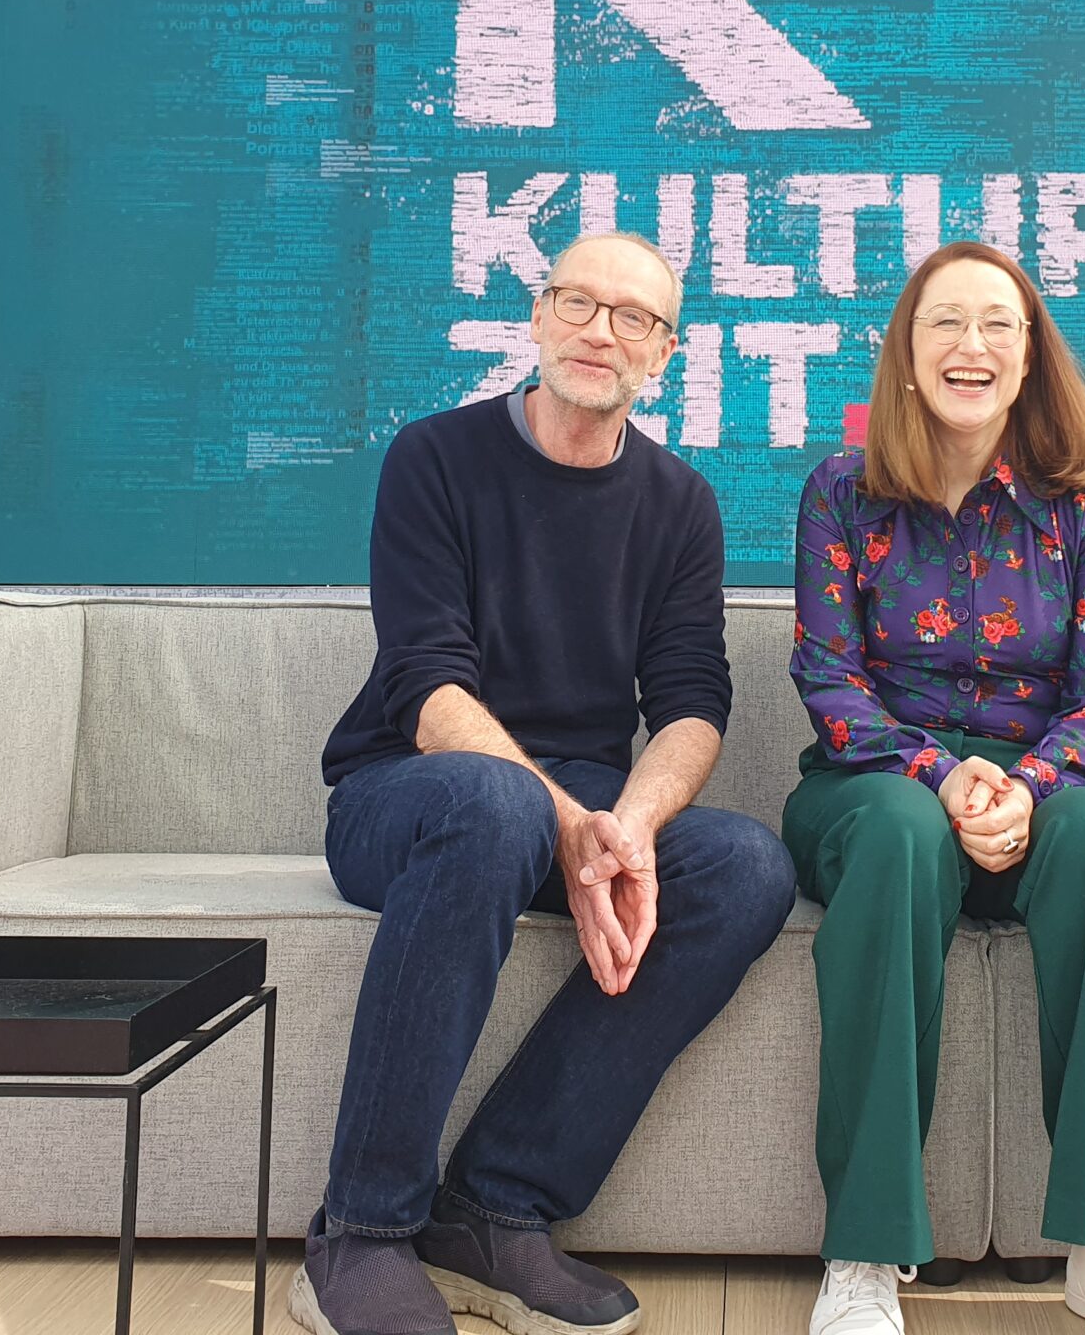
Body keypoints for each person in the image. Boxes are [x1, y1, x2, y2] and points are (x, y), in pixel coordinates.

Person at [295, 231, 799, 1335]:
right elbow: (426, 685)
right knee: (497, 803)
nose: (599, 332)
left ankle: (492, 1208)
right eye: (578, 302)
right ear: (536, 315)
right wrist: (566, 817)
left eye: (634, 318)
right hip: (407, 793)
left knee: (748, 867)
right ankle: (360, 1233)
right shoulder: (434, 457)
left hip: (566, 804)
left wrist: (630, 824)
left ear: (664, 354)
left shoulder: (679, 504)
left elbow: (690, 701)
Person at [785, 241, 1085, 1335]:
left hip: (1038, 788)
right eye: (944, 322)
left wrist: (1022, 787)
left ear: (1028, 359)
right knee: (896, 833)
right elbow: (827, 677)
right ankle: (864, 1253)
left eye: (996, 325)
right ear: (906, 353)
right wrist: (939, 774)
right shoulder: (840, 491)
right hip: (876, 783)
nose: (969, 344)